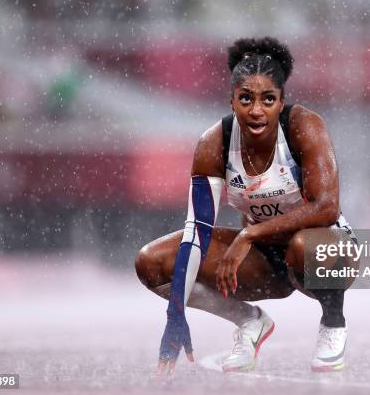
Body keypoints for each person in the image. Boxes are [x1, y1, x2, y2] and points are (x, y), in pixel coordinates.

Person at [135, 36, 357, 375]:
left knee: (302, 245)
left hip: (326, 248)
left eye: (268, 99)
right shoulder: (213, 144)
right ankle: (250, 322)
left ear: (281, 103)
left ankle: (333, 322)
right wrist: (175, 313)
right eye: (246, 99)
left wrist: (250, 232)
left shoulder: (304, 127)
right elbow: (198, 230)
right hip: (265, 262)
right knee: (153, 262)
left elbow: (326, 207)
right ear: (232, 101)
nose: (256, 110)